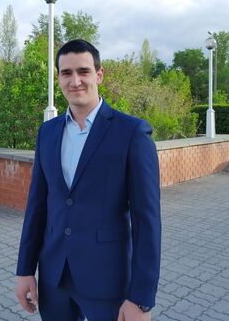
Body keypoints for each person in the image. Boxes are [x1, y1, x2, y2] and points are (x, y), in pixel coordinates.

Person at [16, 39, 161, 321]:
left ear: (99, 75)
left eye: (83, 71)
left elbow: (147, 221)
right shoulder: (48, 133)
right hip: (54, 278)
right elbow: (37, 206)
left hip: (107, 280)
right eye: (66, 73)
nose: (75, 81)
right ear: (58, 78)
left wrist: (141, 300)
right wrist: (25, 270)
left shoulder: (131, 133)